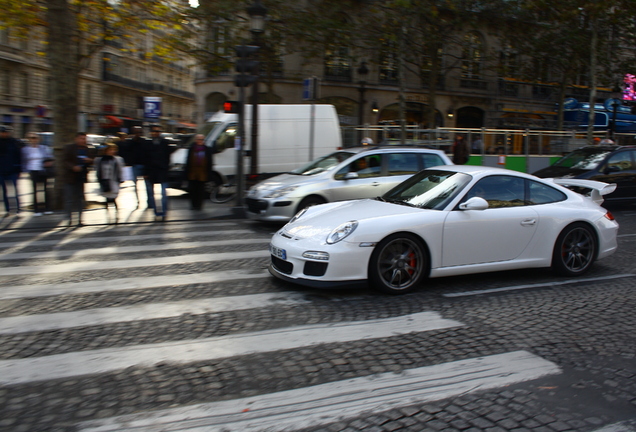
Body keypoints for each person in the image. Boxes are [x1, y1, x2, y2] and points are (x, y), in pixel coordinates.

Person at [143, 125, 176, 221]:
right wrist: (145, 172)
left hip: (162, 170)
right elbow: (145, 158)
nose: (156, 133)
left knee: (163, 193)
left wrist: (166, 166)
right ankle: (156, 211)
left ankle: (164, 212)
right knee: (151, 194)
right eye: (154, 131)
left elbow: (168, 156)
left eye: (157, 131)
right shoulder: (147, 143)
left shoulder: (164, 143)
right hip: (151, 171)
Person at [62, 132, 95, 227]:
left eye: (84, 139)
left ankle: (80, 219)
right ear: (76, 139)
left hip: (81, 177)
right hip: (70, 177)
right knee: (69, 199)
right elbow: (65, 161)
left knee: (80, 199)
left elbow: (91, 160)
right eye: (81, 138)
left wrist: (90, 161)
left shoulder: (87, 149)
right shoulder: (70, 148)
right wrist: (73, 167)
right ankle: (69, 219)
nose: (83, 140)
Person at [21, 133, 54, 216]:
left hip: (43, 170)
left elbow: (50, 157)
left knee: (45, 190)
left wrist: (49, 163)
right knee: (35, 191)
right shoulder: (25, 149)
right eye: (32, 138)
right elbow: (23, 160)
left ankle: (47, 208)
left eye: (35, 138)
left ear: (39, 139)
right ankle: (36, 210)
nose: (34, 140)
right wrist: (24, 170)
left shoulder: (44, 148)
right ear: (29, 139)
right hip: (33, 170)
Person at [119, 126, 150, 209]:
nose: (138, 134)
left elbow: (148, 154)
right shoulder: (130, 143)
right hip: (134, 165)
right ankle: (138, 201)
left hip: (144, 165)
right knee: (135, 185)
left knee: (148, 185)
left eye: (139, 132)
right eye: (136, 132)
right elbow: (125, 152)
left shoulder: (144, 142)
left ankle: (149, 202)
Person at [94, 142, 125, 224]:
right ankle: (108, 215)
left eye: (113, 150)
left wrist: (120, 180)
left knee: (114, 199)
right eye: (110, 150)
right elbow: (97, 170)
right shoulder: (100, 160)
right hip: (105, 181)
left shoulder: (117, 159)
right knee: (107, 199)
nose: (112, 151)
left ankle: (116, 214)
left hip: (114, 181)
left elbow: (120, 170)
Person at [184, 134, 213, 210]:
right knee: (193, 190)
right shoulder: (192, 149)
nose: (200, 141)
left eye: (201, 140)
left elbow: (209, 162)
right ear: (195, 140)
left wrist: (209, 174)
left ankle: (199, 205)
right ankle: (193, 205)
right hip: (192, 173)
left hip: (202, 173)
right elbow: (188, 161)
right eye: (198, 139)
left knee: (201, 190)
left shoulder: (207, 149)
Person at [0, 126, 22, 216]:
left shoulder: (13, 142)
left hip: (13, 170)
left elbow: (18, 156)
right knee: (4, 191)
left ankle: (17, 210)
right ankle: (7, 210)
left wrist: (19, 169)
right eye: (3, 132)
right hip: (1, 171)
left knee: (15, 191)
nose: (5, 134)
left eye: (6, 132)